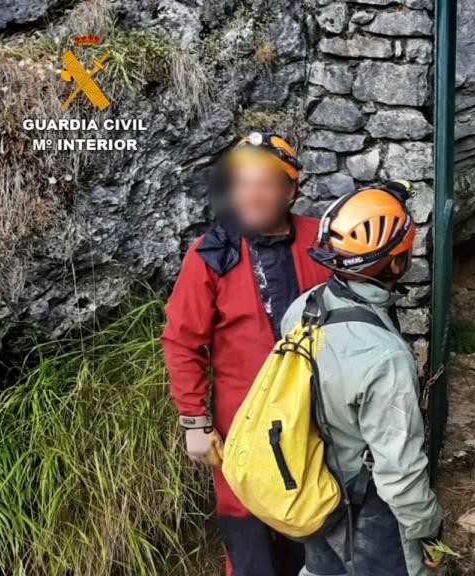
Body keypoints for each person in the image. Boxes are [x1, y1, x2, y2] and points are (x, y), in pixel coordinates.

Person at [162, 132, 330, 575]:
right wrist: (194, 423)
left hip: (317, 418)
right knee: (250, 543)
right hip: (242, 427)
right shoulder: (210, 255)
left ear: (291, 190)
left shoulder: (322, 242)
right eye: (242, 183)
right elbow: (182, 340)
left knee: (314, 532)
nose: (252, 195)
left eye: (267, 183)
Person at [279, 182, 444, 576]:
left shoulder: (304, 307)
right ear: (398, 264)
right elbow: (399, 473)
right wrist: (429, 528)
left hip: (314, 488)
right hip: (368, 510)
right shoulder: (384, 357)